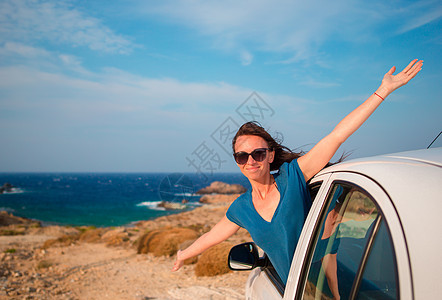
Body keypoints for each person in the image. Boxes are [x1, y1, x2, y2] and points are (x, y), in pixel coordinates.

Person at [171, 59, 423, 285]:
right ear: (237, 161)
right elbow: (211, 237)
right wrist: (182, 254)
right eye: (242, 156)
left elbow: (337, 136)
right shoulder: (242, 208)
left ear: (270, 155)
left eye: (258, 153)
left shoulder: (293, 177)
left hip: (319, 289)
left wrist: (384, 90)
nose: (251, 160)